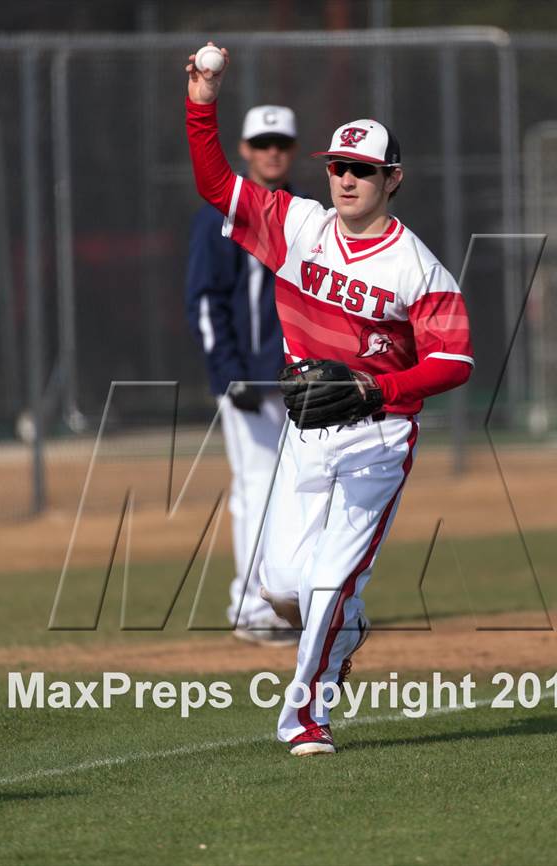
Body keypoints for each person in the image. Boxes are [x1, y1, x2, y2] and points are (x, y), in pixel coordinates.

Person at [185, 44, 474, 756]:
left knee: (326, 586)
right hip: (307, 433)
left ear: (392, 179)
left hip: (379, 438)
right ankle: (346, 627)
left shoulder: (416, 266)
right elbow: (216, 183)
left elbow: (455, 359)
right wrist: (201, 99)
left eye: (362, 170)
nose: (345, 179)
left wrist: (381, 387)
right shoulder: (298, 225)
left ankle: (306, 720)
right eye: (338, 167)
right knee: (282, 582)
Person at [185, 104, 302, 644]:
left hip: (300, 380)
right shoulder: (220, 215)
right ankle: (251, 604)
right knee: (257, 487)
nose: (272, 151)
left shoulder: (304, 213)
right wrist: (230, 373)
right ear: (245, 149)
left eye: (281, 142)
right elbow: (206, 302)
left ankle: (285, 599)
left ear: (292, 150)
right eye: (263, 142)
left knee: (299, 491)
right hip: (248, 381)